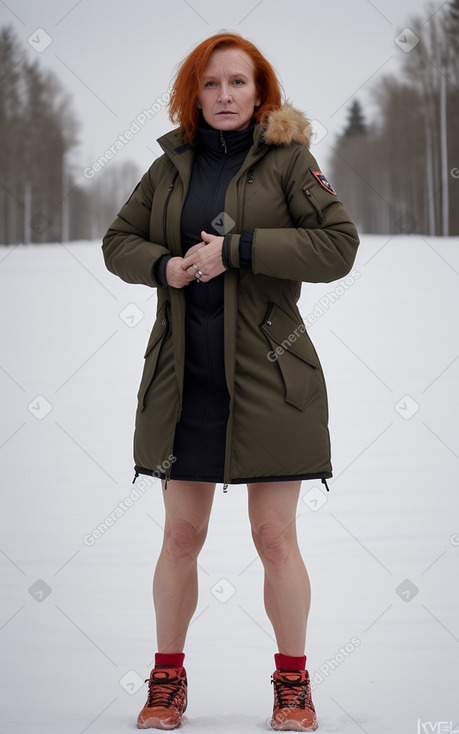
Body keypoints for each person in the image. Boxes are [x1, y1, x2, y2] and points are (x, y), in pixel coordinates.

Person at [102, 32, 359, 732]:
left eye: (237, 83)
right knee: (180, 536)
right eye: (211, 84)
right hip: (183, 380)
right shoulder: (169, 167)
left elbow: (337, 246)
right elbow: (118, 242)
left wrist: (238, 250)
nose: (224, 96)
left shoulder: (288, 162)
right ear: (195, 91)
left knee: (275, 539)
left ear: (259, 91)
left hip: (273, 381)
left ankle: (293, 684)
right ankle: (166, 680)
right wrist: (167, 267)